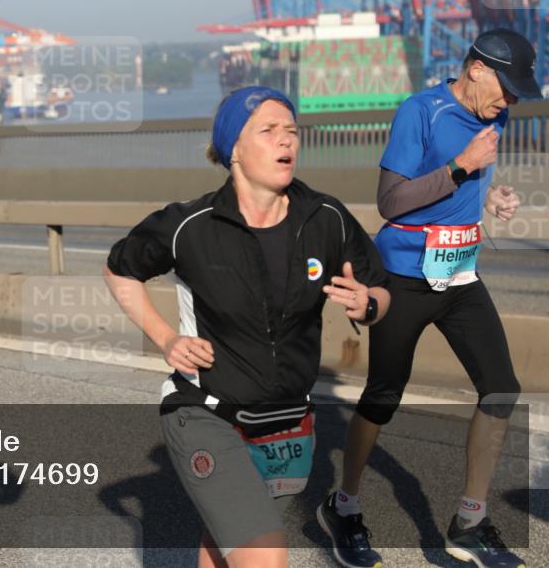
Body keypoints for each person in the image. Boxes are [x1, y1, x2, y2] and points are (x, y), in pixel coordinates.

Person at [105, 86, 391, 568]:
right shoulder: (190, 225)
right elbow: (120, 270)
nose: (286, 140)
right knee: (263, 557)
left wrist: (368, 305)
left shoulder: (326, 218)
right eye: (269, 131)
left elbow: (381, 291)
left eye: (292, 131)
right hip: (206, 413)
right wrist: (166, 338)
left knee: (227, 544)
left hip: (286, 423)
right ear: (233, 148)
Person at [320, 28, 538, 568]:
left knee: (501, 389)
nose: (510, 102)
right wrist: (462, 165)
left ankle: (469, 521)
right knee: (384, 395)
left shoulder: (494, 116)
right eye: (507, 88)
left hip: (460, 276)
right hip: (403, 277)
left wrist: (490, 195)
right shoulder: (419, 112)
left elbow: (465, 186)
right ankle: (343, 505)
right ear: (477, 69)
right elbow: (391, 201)